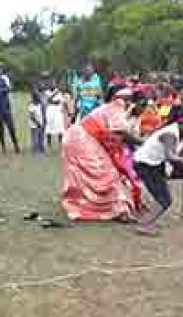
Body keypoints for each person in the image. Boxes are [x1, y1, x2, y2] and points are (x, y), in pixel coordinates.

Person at [60, 88, 142, 222]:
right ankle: (118, 210)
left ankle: (84, 204)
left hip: (75, 137)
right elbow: (121, 133)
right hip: (82, 139)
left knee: (85, 175)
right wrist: (143, 142)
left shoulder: (111, 108)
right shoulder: (117, 108)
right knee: (108, 174)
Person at [133, 107, 183, 235]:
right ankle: (144, 224)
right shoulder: (170, 133)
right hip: (146, 165)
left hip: (159, 165)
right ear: (182, 123)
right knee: (164, 200)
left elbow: (178, 158)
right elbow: (170, 155)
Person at [0, 62, 20, 154]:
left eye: (0, 68)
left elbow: (9, 88)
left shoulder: (5, 78)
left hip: (6, 105)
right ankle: (3, 147)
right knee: (0, 128)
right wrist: (1, 91)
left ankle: (16, 145)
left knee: (11, 127)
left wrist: (0, 91)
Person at [43, 80, 66, 149]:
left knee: (60, 126)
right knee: (49, 126)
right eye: (50, 84)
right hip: (50, 110)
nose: (52, 85)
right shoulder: (46, 92)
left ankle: (60, 143)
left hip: (58, 110)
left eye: (53, 84)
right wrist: (55, 94)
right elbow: (48, 100)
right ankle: (49, 143)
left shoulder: (59, 92)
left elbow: (60, 101)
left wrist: (54, 100)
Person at [27, 87, 45, 155]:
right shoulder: (31, 105)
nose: (39, 97)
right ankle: (34, 151)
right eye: (37, 96)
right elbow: (31, 116)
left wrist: (43, 121)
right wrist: (37, 123)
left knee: (41, 137)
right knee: (35, 138)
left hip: (41, 122)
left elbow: (43, 112)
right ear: (34, 97)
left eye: (39, 95)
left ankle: (41, 149)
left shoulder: (40, 104)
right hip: (34, 124)